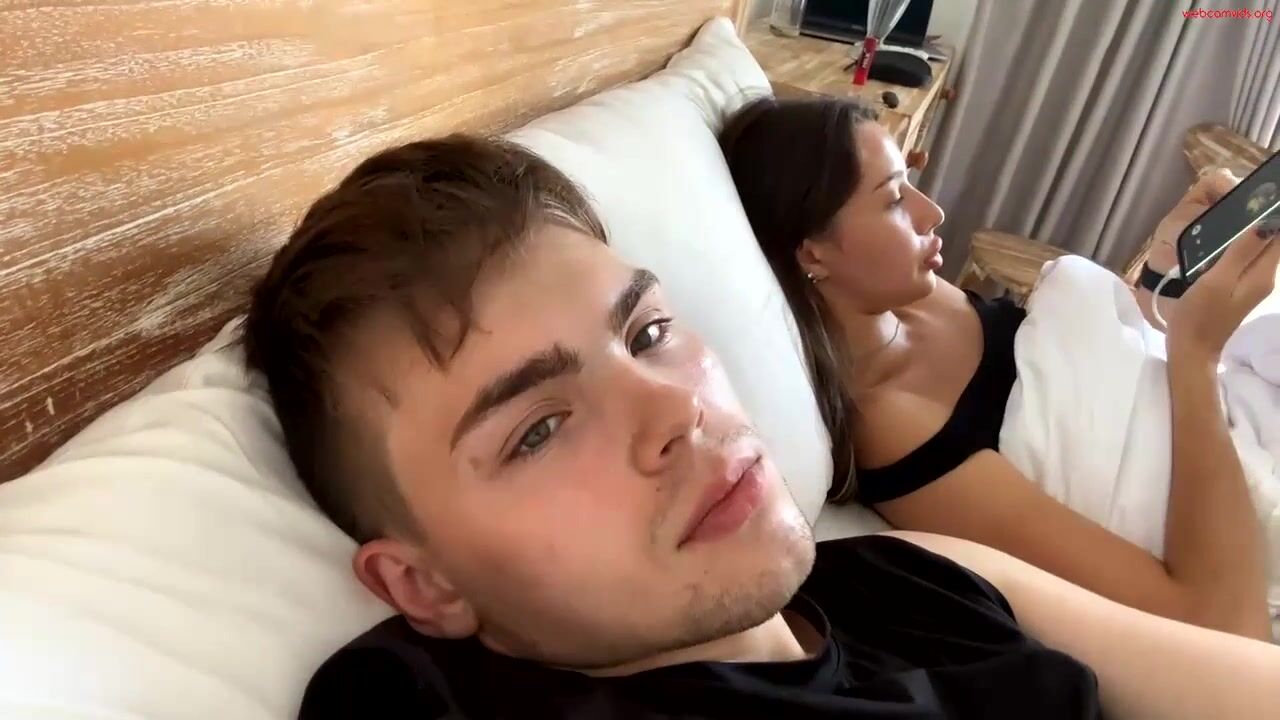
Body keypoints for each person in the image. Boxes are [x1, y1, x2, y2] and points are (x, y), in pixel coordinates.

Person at [243, 136, 1280, 719]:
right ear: (424, 587)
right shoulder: (412, 700)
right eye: (536, 430)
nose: (676, 408)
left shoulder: (916, 573)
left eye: (648, 333)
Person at [719, 96, 1280, 640]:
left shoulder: (910, 296)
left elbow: (1098, 373)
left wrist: (1163, 273)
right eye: (892, 200)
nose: (931, 212)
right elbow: (1214, 625)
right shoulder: (894, 423)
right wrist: (1196, 355)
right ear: (812, 253)